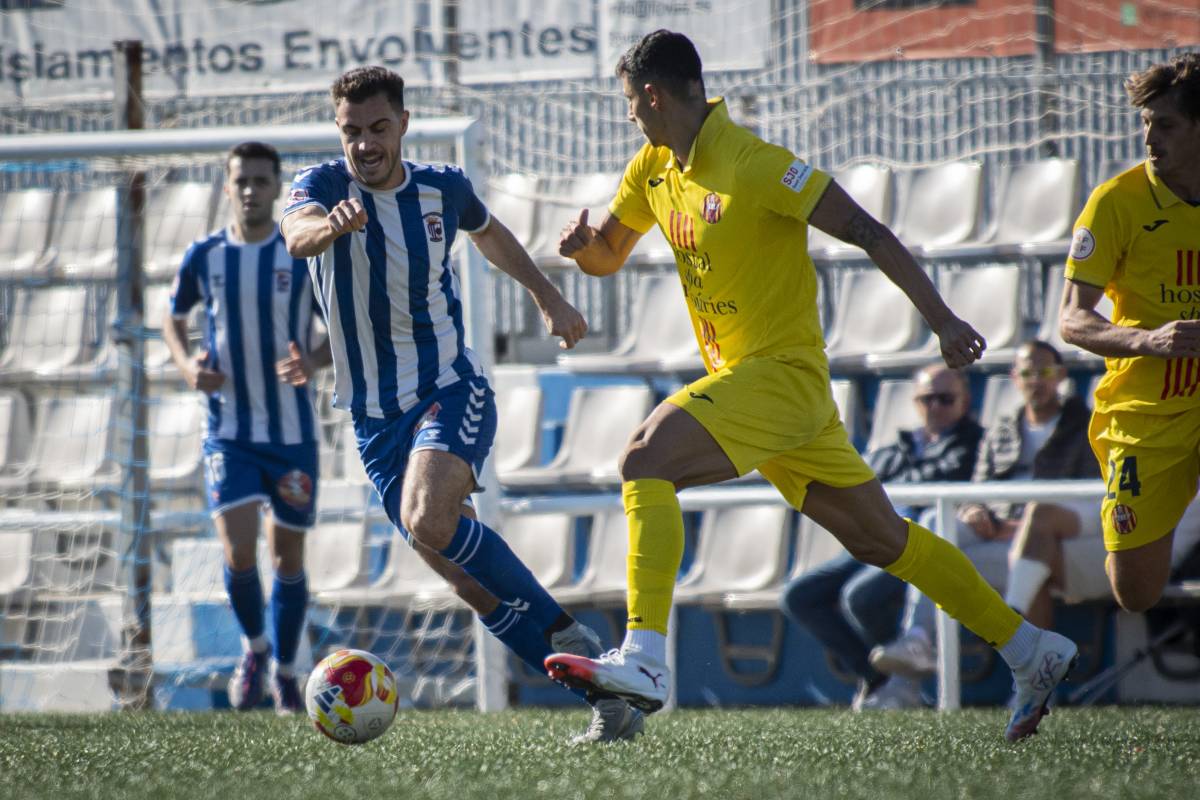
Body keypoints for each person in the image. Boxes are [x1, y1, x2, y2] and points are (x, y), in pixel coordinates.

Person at [544, 29, 1076, 743]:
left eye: (629, 104)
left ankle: (644, 657)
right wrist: (586, 253)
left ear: (653, 94)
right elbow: (611, 252)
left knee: (645, 457)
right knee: (884, 540)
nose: (629, 118)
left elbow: (865, 227)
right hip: (763, 394)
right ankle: (1029, 649)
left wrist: (942, 320)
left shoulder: (757, 164)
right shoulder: (653, 168)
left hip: (782, 379)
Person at [279, 66, 642, 743]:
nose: (365, 144)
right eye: (352, 131)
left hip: (448, 388)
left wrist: (548, 297)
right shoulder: (322, 188)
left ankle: (568, 629)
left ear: (403, 125)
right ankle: (605, 701)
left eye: (378, 128)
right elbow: (296, 233)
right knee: (465, 581)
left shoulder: (442, 188)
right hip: (373, 421)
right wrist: (328, 229)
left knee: (428, 519)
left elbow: (492, 233)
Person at [164, 141, 333, 713]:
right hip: (228, 431)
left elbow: (339, 327)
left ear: (277, 186)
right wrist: (189, 366)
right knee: (238, 551)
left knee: (287, 558)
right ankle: (255, 649)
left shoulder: (300, 256)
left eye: (261, 181)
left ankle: (286, 671)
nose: (250, 190)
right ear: (227, 184)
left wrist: (313, 360)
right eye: (241, 180)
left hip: (291, 435)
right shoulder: (205, 254)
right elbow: (172, 317)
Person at [1059, 52, 1200, 615]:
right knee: (1135, 591)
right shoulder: (1117, 201)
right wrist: (1148, 340)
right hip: (1147, 410)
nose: (1149, 137)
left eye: (1164, 124)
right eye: (1145, 123)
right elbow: (1071, 319)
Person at [871, 340, 1099, 677]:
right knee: (939, 522)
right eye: (1027, 372)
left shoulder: (1086, 425)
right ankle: (918, 639)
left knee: (945, 561)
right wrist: (973, 510)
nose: (1036, 380)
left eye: (1045, 371)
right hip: (995, 530)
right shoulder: (1003, 426)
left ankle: (1027, 681)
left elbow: (1088, 500)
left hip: (1053, 539)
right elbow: (976, 487)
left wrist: (1021, 526)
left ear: (1061, 375)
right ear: (1015, 378)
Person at [780, 364, 983, 710]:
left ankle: (901, 683)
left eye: (945, 399)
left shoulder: (974, 445)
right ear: (916, 403)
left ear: (965, 402)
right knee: (798, 595)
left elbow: (935, 481)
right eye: (927, 398)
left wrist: (880, 490)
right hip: (871, 536)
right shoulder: (897, 447)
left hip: (915, 540)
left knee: (859, 595)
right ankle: (879, 679)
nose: (935, 407)